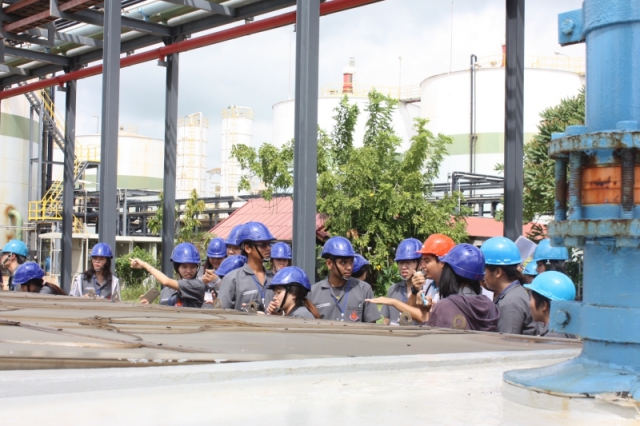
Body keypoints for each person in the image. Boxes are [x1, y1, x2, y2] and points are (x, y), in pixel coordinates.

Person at [368, 244, 499, 331]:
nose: (422, 266)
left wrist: (426, 314)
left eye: (427, 260)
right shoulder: (490, 305)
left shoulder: (446, 306)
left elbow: (433, 343)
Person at [309, 236, 380, 323]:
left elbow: (371, 327)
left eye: (351, 261)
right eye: (343, 262)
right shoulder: (313, 293)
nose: (349, 267)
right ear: (329, 264)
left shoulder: (364, 290)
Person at [481, 236, 539, 335]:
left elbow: (507, 341)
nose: (482, 275)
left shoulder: (511, 301)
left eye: (484, 269)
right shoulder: (512, 294)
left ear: (498, 272)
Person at [218, 222, 275, 311]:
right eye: (263, 245)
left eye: (269, 244)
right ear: (248, 248)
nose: (268, 248)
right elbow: (221, 314)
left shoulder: (274, 278)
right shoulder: (232, 279)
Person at [132, 242, 206, 308]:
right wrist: (148, 306)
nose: (189, 271)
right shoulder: (166, 291)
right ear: (177, 267)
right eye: (184, 266)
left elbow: (166, 281)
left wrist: (144, 265)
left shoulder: (197, 286)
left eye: (193, 267)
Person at [381, 238, 423, 325]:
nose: (403, 267)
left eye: (408, 262)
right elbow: (386, 321)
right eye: (400, 263)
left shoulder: (427, 290)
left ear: (419, 264)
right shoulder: (393, 289)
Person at [523, 271, 576, 338]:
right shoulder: (565, 331)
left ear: (543, 306)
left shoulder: (552, 337)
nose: (529, 304)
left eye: (531, 299)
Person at [410, 234, 456, 307]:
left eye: (427, 261)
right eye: (422, 261)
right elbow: (407, 312)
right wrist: (415, 290)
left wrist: (394, 302)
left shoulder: (457, 290)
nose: (422, 266)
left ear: (442, 262)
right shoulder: (426, 284)